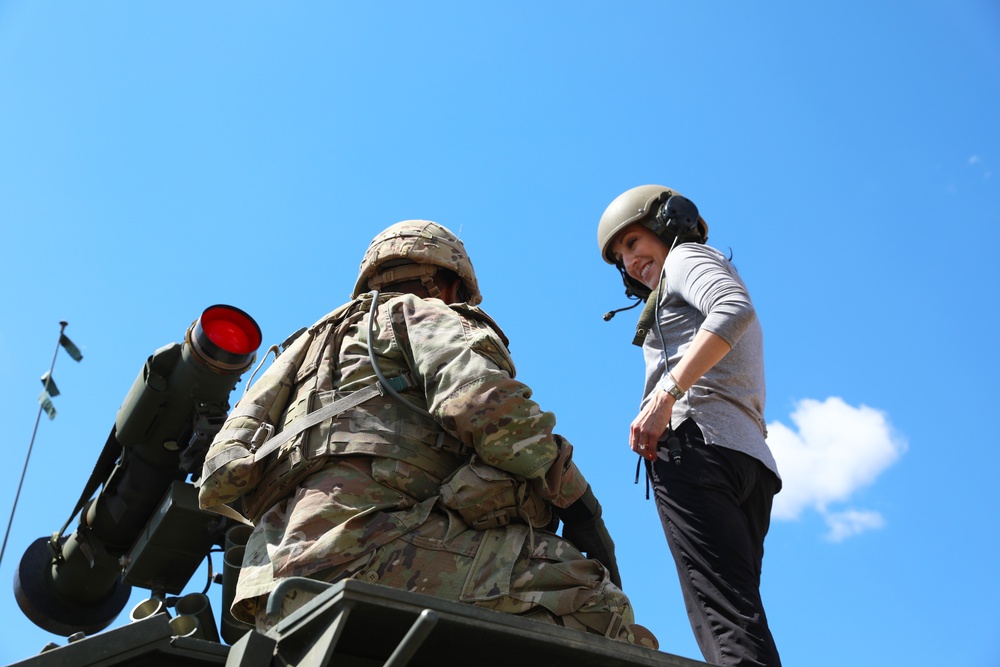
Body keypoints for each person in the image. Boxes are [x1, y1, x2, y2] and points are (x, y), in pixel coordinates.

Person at [198, 219, 656, 648]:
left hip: (271, 587)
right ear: (445, 281)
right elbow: (487, 408)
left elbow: (220, 477)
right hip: (371, 548)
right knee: (592, 598)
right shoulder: (421, 314)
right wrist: (575, 500)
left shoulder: (299, 351)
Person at [597, 185, 782, 666]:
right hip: (746, 462)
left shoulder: (687, 258)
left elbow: (734, 309)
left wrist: (666, 394)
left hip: (695, 449)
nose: (631, 261)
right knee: (740, 616)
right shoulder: (694, 266)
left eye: (634, 242)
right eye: (622, 256)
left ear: (666, 225)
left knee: (725, 622)